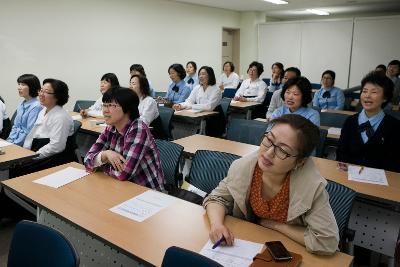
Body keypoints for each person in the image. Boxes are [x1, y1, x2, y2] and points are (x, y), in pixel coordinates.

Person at [203, 114, 339, 255]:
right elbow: (217, 198)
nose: (268, 153)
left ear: (300, 162)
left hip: (291, 251)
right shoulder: (245, 167)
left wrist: (276, 225)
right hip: (250, 243)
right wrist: (217, 225)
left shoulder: (311, 187)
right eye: (269, 139)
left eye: (283, 150)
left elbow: (326, 241)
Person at [84, 87, 165, 191]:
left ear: (127, 108)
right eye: (104, 105)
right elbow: (87, 160)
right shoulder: (111, 127)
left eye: (111, 105)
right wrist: (105, 154)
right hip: (119, 186)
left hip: (145, 191)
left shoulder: (138, 129)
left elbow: (124, 173)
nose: (105, 110)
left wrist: (99, 166)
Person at [337, 71, 400, 172]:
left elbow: (395, 163)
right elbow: (341, 153)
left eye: (374, 92)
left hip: (380, 183)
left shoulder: (395, 126)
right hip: (349, 177)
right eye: (365, 91)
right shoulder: (350, 121)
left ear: (385, 97)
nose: (367, 95)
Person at [23, 78, 74, 159]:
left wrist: (33, 157)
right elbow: (33, 134)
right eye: (41, 90)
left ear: (57, 96)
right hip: (36, 150)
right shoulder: (44, 110)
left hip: (50, 158)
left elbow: (57, 146)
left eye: (46, 92)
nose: (40, 94)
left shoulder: (61, 117)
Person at [7, 74, 42, 146]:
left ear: (32, 87)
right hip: (14, 142)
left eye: (23, 85)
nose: (19, 88)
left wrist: (14, 144)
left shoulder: (37, 106)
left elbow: (29, 131)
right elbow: (15, 126)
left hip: (25, 144)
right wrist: (9, 141)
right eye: (19, 84)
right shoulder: (21, 104)